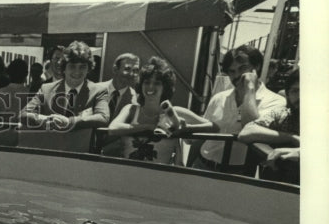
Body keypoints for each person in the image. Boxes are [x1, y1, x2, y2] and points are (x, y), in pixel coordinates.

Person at [192, 45, 286, 174]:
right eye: (232, 71)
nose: (237, 75)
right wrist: (189, 167)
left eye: (242, 68)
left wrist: (249, 89)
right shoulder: (219, 98)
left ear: (257, 67)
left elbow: (251, 129)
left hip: (237, 174)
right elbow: (202, 137)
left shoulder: (275, 101)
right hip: (202, 165)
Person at [103, 57, 215, 162]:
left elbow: (213, 127)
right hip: (128, 172)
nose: (150, 87)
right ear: (141, 85)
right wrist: (148, 127)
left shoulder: (175, 112)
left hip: (161, 174)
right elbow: (113, 128)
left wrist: (187, 129)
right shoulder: (131, 109)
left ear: (165, 87)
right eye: (147, 82)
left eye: (157, 83)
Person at [20, 41, 109, 134]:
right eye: (72, 66)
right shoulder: (46, 89)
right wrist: (43, 119)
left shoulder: (98, 91)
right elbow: (23, 114)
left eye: (82, 67)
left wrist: (69, 122)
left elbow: (103, 117)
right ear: (64, 68)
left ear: (88, 69)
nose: (77, 71)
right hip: (50, 142)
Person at [237, 67, 300, 184]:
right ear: (287, 95)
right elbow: (246, 132)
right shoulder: (282, 115)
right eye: (295, 91)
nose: (301, 97)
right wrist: (291, 138)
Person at [98, 53, 140, 122]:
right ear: (115, 69)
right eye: (127, 69)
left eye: (135, 70)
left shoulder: (135, 100)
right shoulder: (96, 89)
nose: (131, 74)